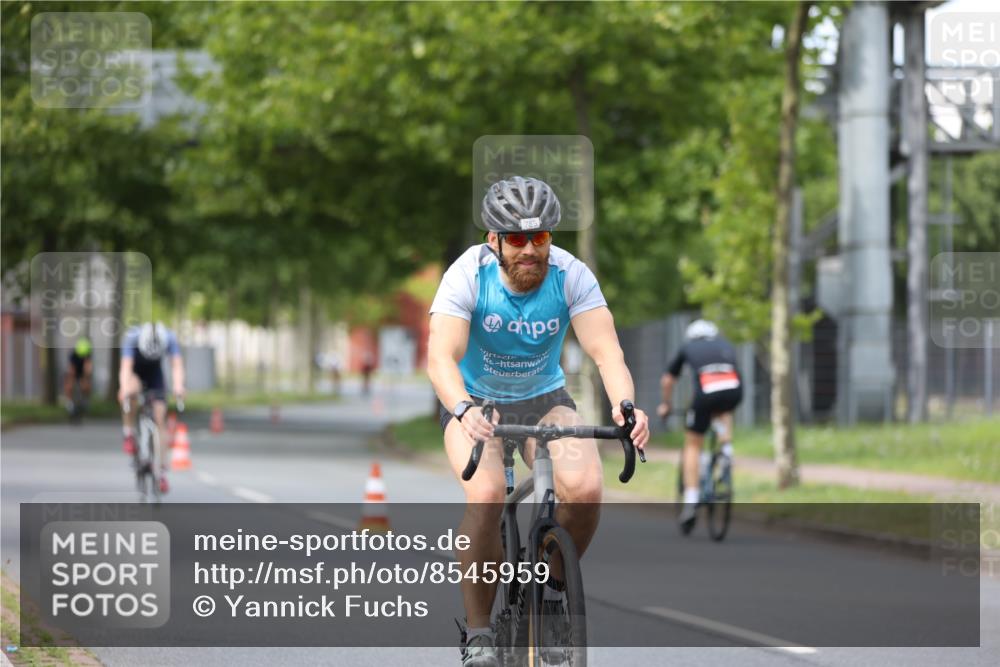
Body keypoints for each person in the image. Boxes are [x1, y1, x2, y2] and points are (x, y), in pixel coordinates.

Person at [427, 175, 650, 667]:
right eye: (517, 239)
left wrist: (625, 405)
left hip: (544, 397)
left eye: (541, 237)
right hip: (476, 402)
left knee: (586, 486)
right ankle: (480, 634)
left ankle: (548, 591)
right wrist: (463, 408)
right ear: (495, 241)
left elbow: (606, 352)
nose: (530, 249)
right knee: (485, 496)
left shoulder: (571, 275)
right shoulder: (468, 274)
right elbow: (441, 357)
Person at [657, 319, 743, 534]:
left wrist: (666, 405)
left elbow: (667, 380)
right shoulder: (725, 345)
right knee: (723, 412)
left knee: (693, 444)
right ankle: (726, 451)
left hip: (706, 391)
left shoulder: (688, 347)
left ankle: (691, 500)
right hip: (734, 389)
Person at [118, 322, 185, 494]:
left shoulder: (169, 337)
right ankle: (128, 433)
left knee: (160, 419)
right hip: (135, 372)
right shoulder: (132, 337)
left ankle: (161, 472)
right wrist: (124, 389)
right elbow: (125, 368)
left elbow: (176, 364)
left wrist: (178, 386)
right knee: (130, 392)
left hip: (156, 375)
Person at [63, 337, 93, 417]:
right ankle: (69, 404)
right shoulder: (72, 354)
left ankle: (85, 401)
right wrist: (72, 378)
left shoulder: (87, 354)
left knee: (86, 385)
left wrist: (86, 377)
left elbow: (88, 367)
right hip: (74, 371)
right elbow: (71, 369)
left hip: (82, 372)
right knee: (69, 385)